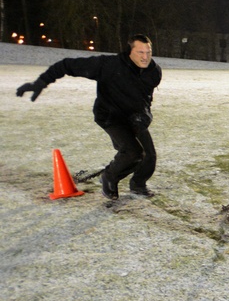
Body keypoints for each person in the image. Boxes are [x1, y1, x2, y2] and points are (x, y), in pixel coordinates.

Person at [16, 35, 162, 200]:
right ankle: (108, 177)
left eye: (148, 52)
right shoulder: (108, 65)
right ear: (129, 51)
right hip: (109, 116)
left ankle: (138, 184)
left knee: (149, 156)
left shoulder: (153, 72)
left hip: (132, 117)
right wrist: (41, 82)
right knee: (133, 153)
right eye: (140, 52)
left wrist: (144, 116)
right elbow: (66, 65)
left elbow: (145, 99)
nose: (145, 57)